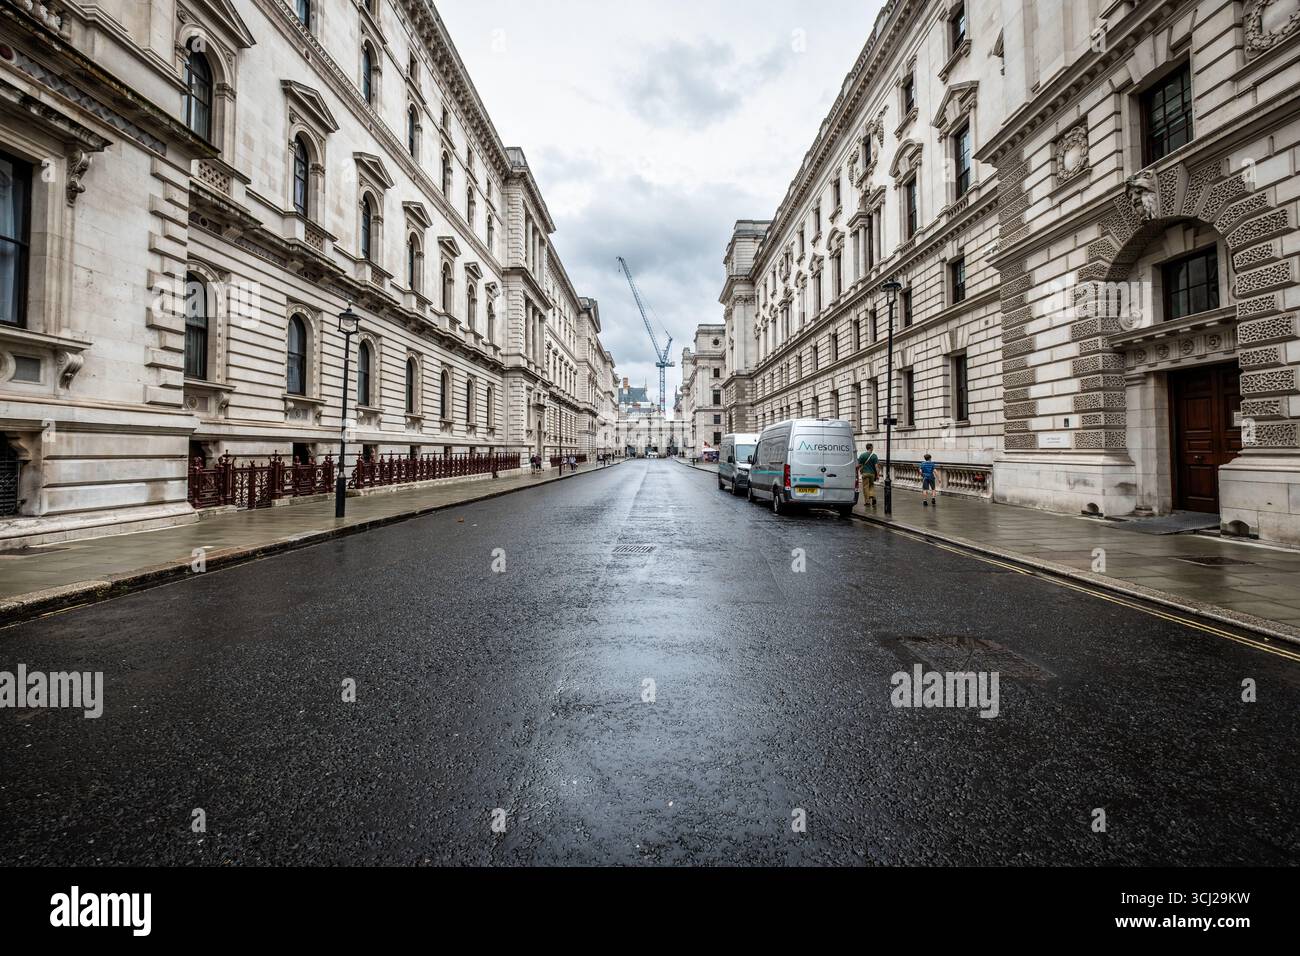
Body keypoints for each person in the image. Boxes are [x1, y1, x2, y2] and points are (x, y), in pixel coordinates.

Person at [856, 443, 879, 509]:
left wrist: (856, 468)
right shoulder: (874, 456)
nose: (873, 448)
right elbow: (876, 466)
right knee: (871, 486)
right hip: (872, 474)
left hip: (865, 474)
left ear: (866, 448)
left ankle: (867, 502)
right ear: (871, 448)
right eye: (872, 447)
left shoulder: (862, 455)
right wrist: (877, 475)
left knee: (865, 487)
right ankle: (873, 496)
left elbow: (859, 465)